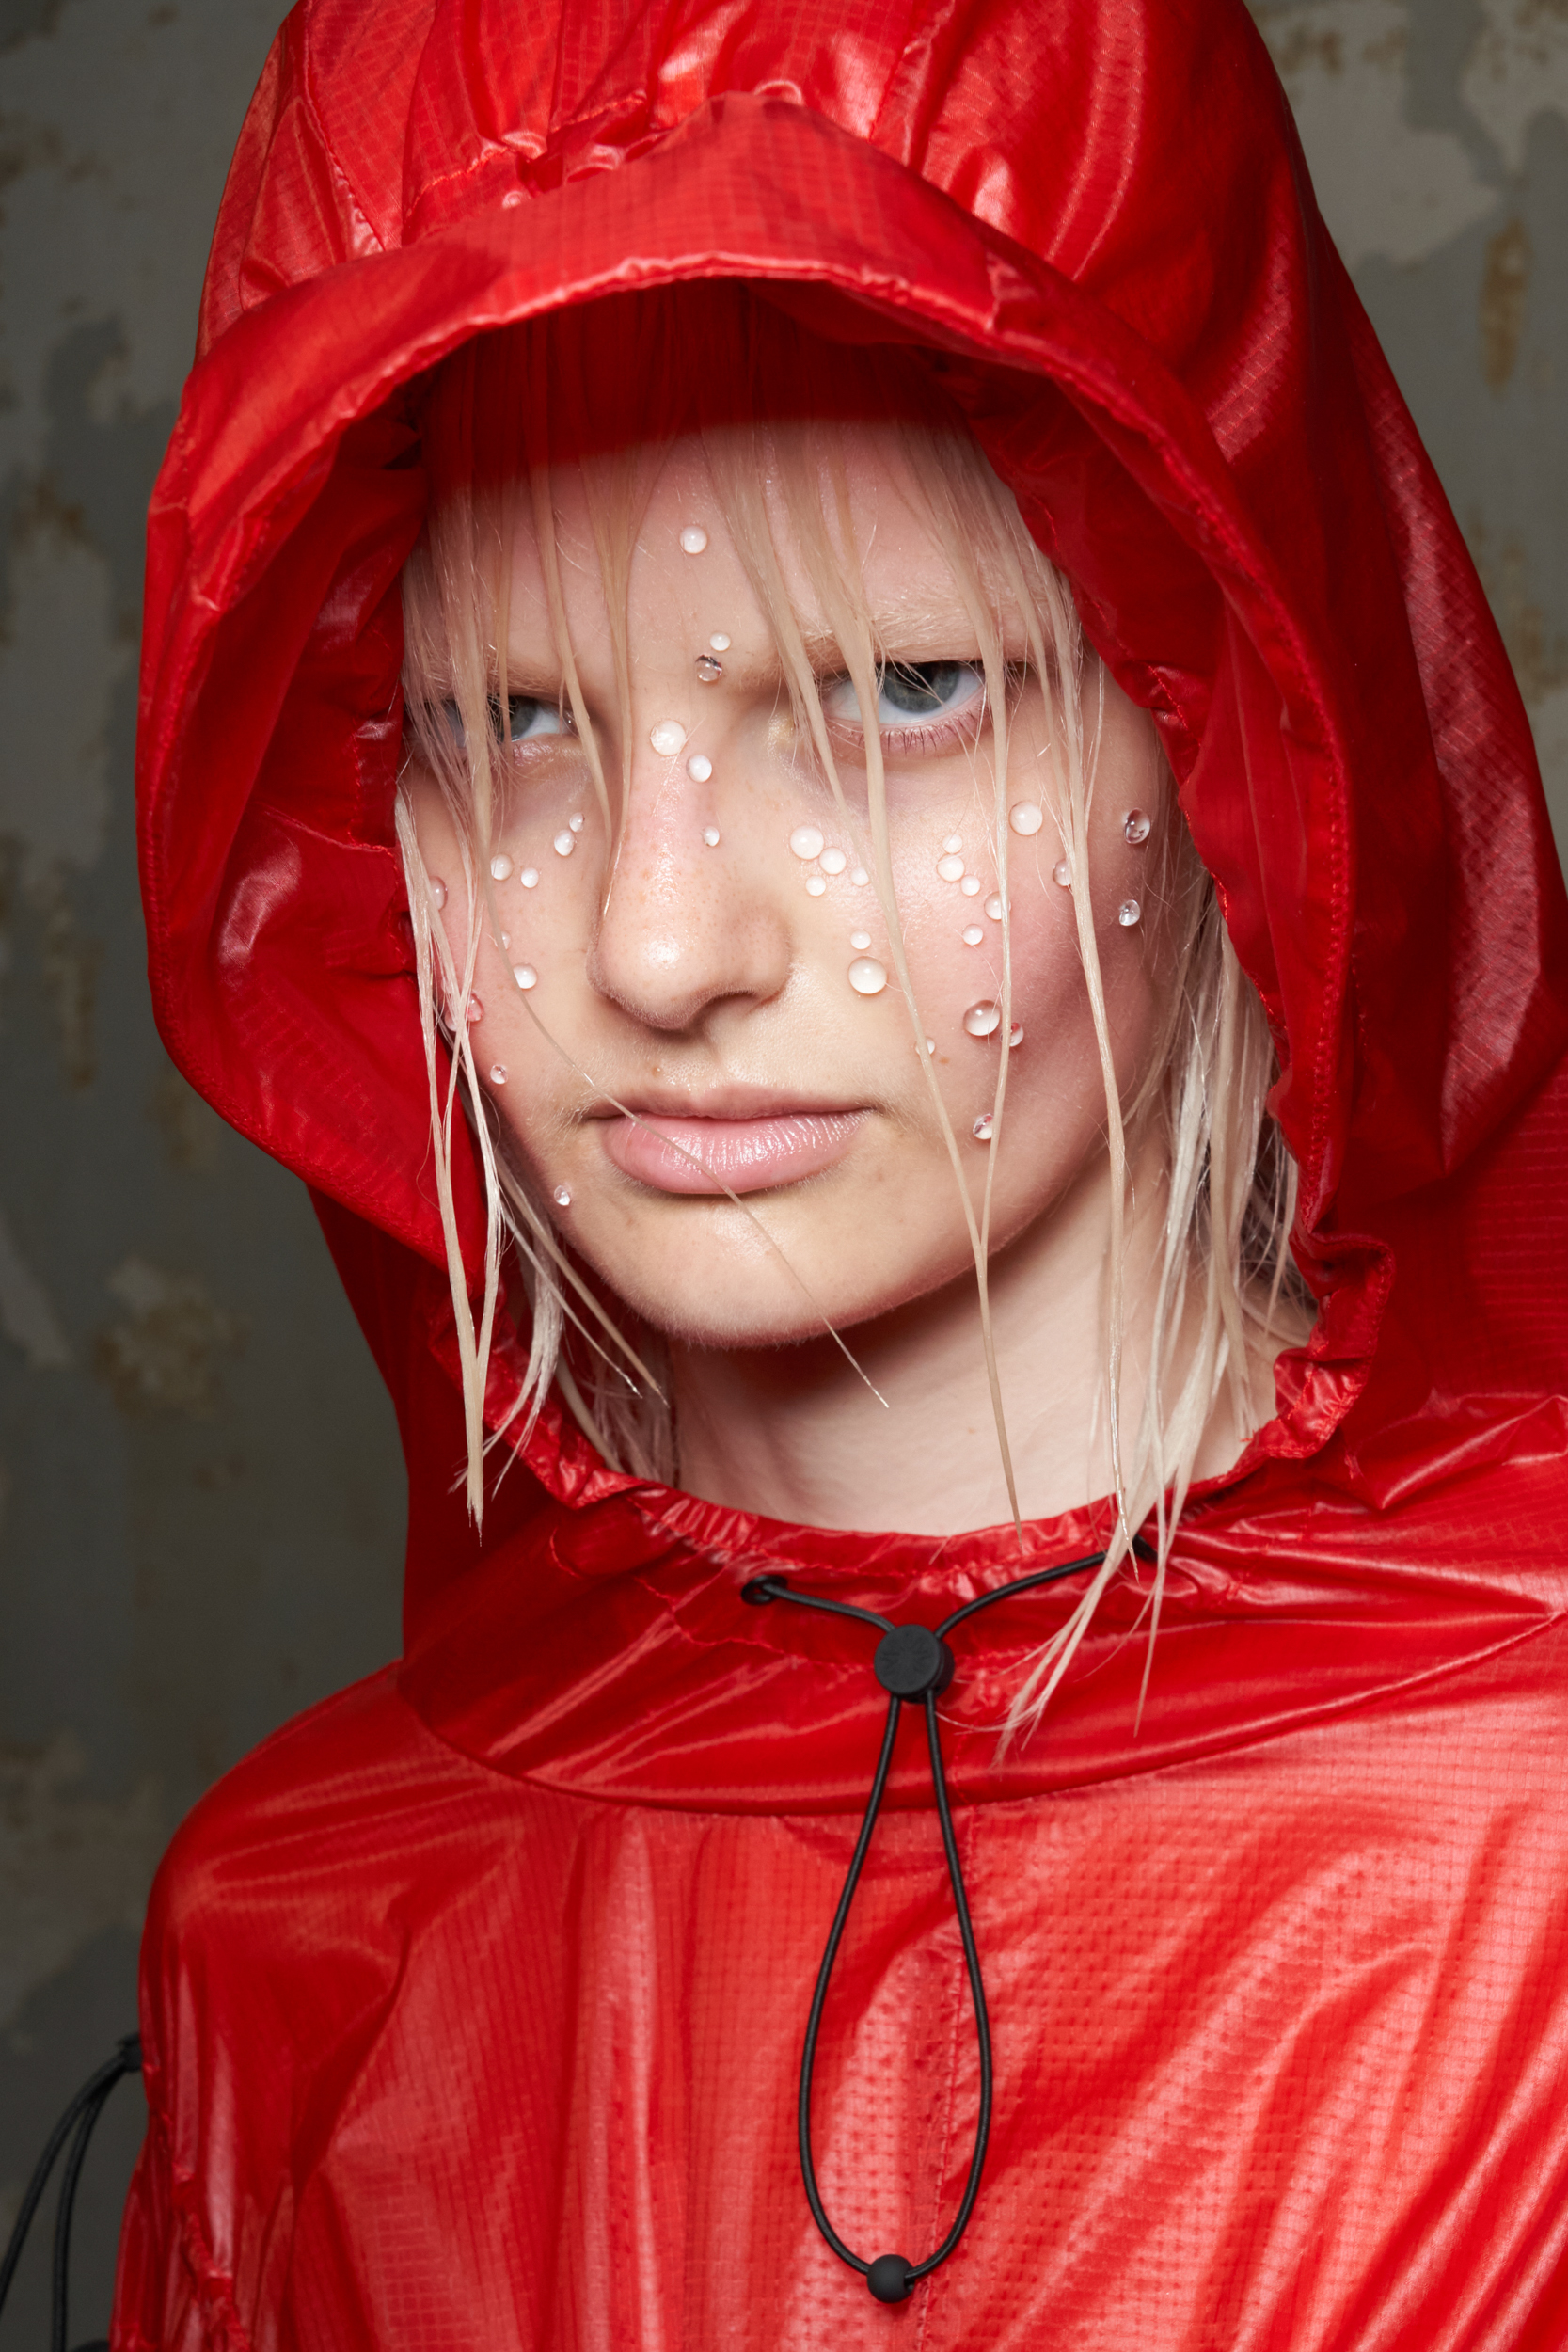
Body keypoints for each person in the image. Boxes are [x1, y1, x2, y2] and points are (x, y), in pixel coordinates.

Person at [113, 0, 1568, 2344]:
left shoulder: (1535, 1839)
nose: (657, 940)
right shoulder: (302, 1938)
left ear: (1221, 697)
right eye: (509, 723)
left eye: (898, 693)